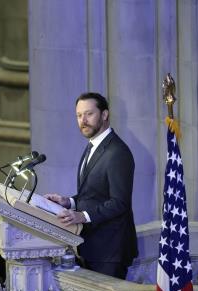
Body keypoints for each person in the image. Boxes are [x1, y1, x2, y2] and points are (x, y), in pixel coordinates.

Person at [45, 92, 137, 279]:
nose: (83, 120)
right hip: (92, 246)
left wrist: (82, 216)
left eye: (89, 114)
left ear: (104, 115)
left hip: (110, 251)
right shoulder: (92, 146)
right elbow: (93, 194)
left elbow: (119, 202)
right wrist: (68, 202)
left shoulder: (117, 152)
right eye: (79, 115)